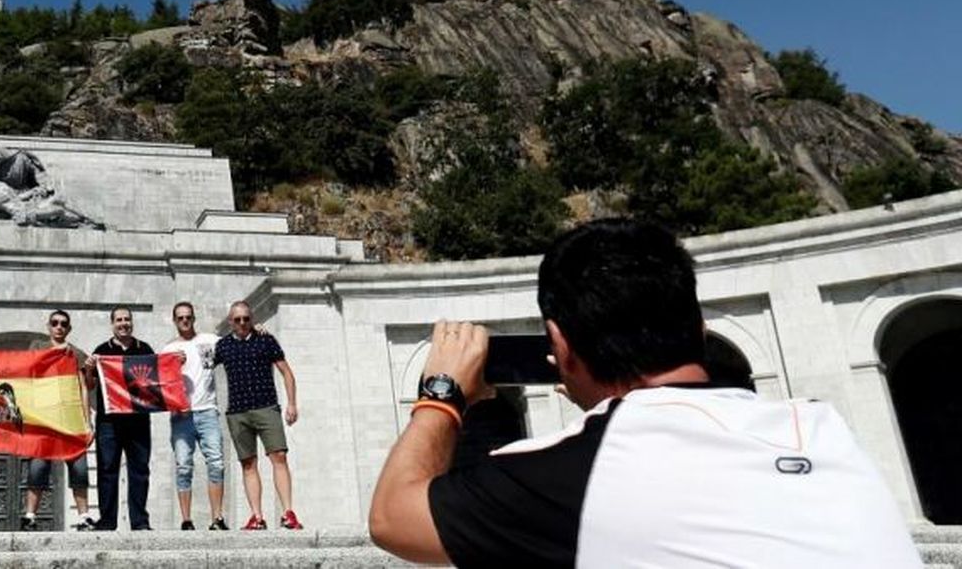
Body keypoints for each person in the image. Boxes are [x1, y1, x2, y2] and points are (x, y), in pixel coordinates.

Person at [368, 218, 924, 568]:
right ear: (700, 327)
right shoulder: (825, 432)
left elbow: (394, 519)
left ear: (559, 344)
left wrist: (441, 393)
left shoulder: (564, 475)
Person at [215, 301, 300, 530]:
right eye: (237, 319)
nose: (242, 323)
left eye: (246, 318)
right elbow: (200, 366)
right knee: (248, 463)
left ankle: (288, 513)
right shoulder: (222, 346)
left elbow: (287, 373)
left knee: (279, 456)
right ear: (230, 322)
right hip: (237, 412)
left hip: (266, 407)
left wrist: (292, 404)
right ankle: (257, 516)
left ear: (251, 319)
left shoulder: (266, 340)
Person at [23, 309, 97, 531]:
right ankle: (29, 516)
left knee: (79, 468)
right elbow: (25, 375)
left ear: (69, 328)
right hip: (44, 418)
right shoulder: (37, 347)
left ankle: (84, 516)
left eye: (63, 324)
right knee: (38, 467)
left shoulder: (76, 354)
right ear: (48, 326)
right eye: (54, 323)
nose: (59, 327)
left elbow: (84, 388)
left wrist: (87, 422)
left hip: (71, 418)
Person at [160, 301, 227, 530]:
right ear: (174, 321)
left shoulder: (210, 340)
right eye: (180, 318)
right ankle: (186, 520)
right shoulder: (168, 350)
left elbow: (237, 343)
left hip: (208, 412)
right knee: (183, 466)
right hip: (181, 415)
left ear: (194, 318)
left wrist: (256, 330)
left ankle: (217, 518)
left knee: (216, 463)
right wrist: (172, 366)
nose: (185, 321)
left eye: (188, 317)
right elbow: (158, 384)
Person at [87, 306, 153, 531]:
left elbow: (156, 381)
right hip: (109, 422)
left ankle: (140, 521)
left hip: (138, 421)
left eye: (127, 319)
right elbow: (90, 385)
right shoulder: (101, 351)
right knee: (106, 470)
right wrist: (88, 369)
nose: (124, 323)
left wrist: (176, 363)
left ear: (132, 322)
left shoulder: (145, 349)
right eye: (119, 320)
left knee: (140, 471)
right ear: (112, 324)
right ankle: (107, 521)